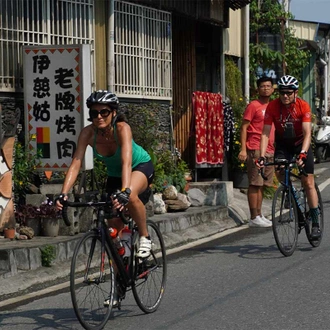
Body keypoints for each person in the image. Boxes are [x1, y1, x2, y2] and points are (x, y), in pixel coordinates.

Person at [56, 90, 154, 257]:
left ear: (113, 113)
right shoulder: (88, 133)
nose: (99, 116)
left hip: (139, 167)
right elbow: (76, 163)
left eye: (104, 112)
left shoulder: (122, 128)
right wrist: (63, 194)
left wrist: (125, 191)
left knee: (129, 196)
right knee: (112, 230)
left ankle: (145, 236)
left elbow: (126, 162)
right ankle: (121, 269)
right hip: (115, 175)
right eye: (94, 113)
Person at [257, 75, 321, 239]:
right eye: (282, 93)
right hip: (283, 144)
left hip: (301, 143)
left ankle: (315, 223)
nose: (285, 96)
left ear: (295, 93)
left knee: (308, 182)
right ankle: (291, 194)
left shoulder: (303, 106)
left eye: (289, 93)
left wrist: (303, 153)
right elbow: (265, 133)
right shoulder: (272, 106)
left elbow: (307, 134)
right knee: (279, 169)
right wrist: (262, 156)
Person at [238, 77, 275, 228]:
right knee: (255, 183)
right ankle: (254, 217)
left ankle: (259, 214)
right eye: (262, 86)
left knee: (262, 184)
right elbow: (244, 127)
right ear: (257, 89)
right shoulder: (253, 106)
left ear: (273, 89)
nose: (265, 88)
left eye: (268, 86)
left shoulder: (273, 106)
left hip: (270, 149)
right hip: (255, 148)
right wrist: (243, 149)